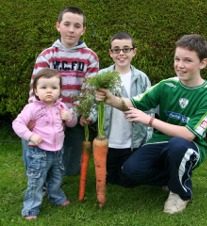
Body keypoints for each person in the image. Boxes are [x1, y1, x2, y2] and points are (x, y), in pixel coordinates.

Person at [95, 34, 207, 214]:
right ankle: (173, 178)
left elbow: (188, 134)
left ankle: (180, 193)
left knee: (178, 145)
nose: (180, 65)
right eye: (177, 59)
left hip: (189, 146)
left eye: (187, 60)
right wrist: (111, 99)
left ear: (203, 63)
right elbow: (133, 102)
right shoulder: (166, 85)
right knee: (130, 170)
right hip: (160, 141)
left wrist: (150, 120)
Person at [22, 6, 99, 175]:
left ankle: (57, 166)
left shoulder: (90, 57)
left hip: (72, 116)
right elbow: (35, 90)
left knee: (71, 170)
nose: (71, 30)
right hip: (45, 115)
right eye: (67, 24)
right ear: (58, 26)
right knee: (33, 147)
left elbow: (88, 92)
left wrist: (69, 117)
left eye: (77, 26)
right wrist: (37, 116)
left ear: (83, 30)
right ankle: (38, 179)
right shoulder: (47, 55)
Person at [82, 31, 152, 186]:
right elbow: (93, 103)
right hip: (109, 141)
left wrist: (147, 138)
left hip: (132, 141)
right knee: (109, 179)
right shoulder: (102, 76)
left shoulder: (141, 78)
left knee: (129, 181)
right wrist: (90, 117)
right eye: (116, 49)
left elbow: (149, 108)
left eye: (126, 49)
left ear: (134, 51)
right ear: (110, 53)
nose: (121, 53)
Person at [12, 69, 78, 220]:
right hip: (38, 152)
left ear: (60, 90)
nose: (49, 91)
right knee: (37, 180)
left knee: (57, 176)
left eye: (54, 88)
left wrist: (69, 117)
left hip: (58, 151)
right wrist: (31, 135)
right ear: (35, 90)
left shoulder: (61, 107)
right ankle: (31, 208)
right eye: (44, 87)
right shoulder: (32, 108)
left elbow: (73, 123)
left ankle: (56, 196)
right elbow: (17, 123)